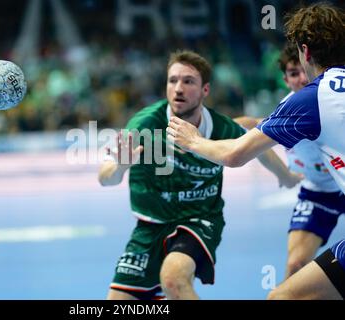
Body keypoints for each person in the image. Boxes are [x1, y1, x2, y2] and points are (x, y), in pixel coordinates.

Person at [166, 3, 345, 299]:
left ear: (306, 52)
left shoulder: (311, 99)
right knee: (299, 267)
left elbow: (235, 154)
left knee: (281, 297)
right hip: (320, 190)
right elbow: (255, 126)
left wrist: (192, 139)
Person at [98, 50, 301, 300]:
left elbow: (258, 149)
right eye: (173, 81)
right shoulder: (145, 125)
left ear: (205, 90)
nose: (178, 88)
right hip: (149, 225)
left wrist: (287, 176)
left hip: (199, 219)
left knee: (173, 279)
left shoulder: (222, 127)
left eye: (188, 81)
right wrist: (121, 166)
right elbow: (105, 178)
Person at [235, 42, 344, 280]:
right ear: (285, 80)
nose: (302, 78)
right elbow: (248, 125)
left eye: (303, 70)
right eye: (294, 74)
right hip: (319, 192)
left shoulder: (331, 96)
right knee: (295, 265)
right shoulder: (287, 110)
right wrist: (284, 175)